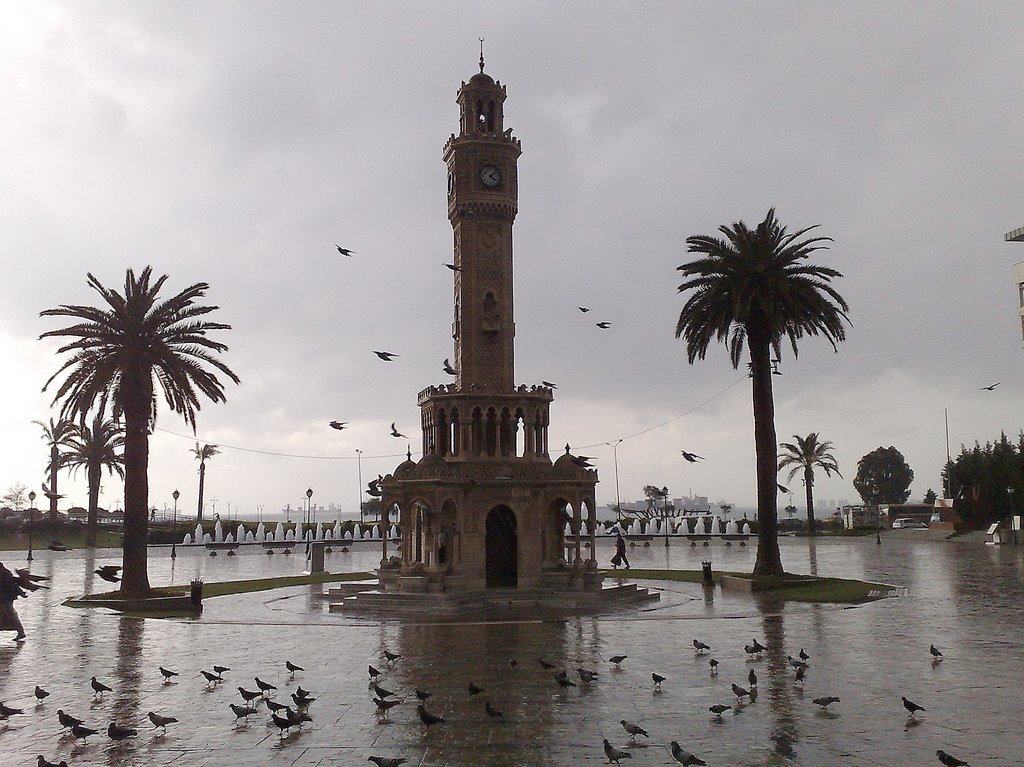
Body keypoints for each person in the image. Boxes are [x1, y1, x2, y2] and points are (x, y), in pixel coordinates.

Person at [0, 562, 27, 642]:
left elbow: (10, 585)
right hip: (5, 597)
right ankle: (20, 632)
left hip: (5, 598)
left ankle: (21, 632)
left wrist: (20, 592)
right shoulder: (5, 572)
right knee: (9, 613)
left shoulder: (4, 573)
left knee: (10, 613)